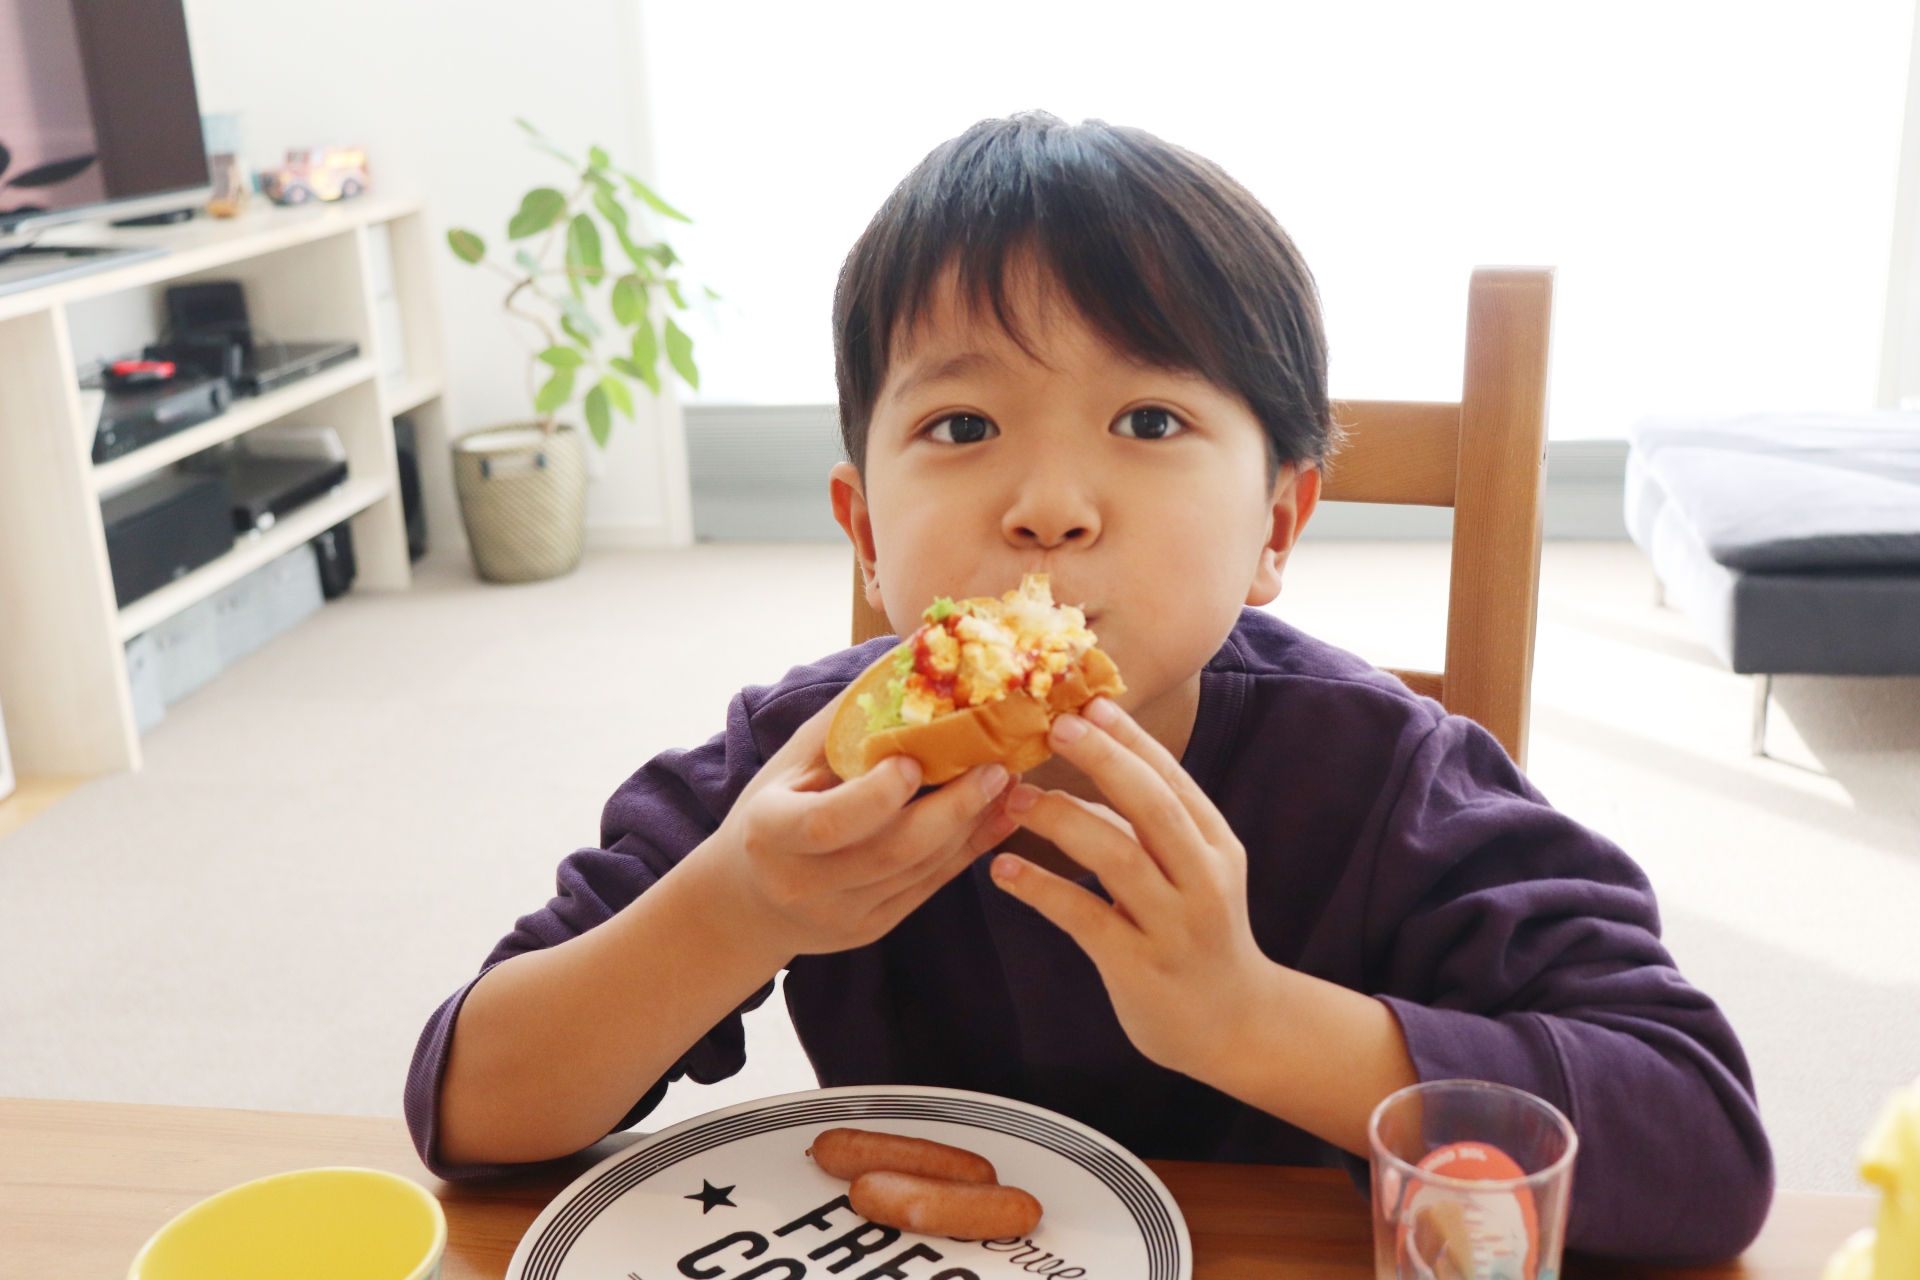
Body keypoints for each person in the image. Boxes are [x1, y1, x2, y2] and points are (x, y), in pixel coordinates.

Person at [405, 112, 1772, 1260]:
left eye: (1150, 422)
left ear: (1277, 529)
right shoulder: (790, 770)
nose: (1050, 506)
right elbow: (466, 1112)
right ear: (868, 537)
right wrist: (733, 913)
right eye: (960, 425)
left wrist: (1252, 1020)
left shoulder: (1387, 778)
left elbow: (1705, 1148)